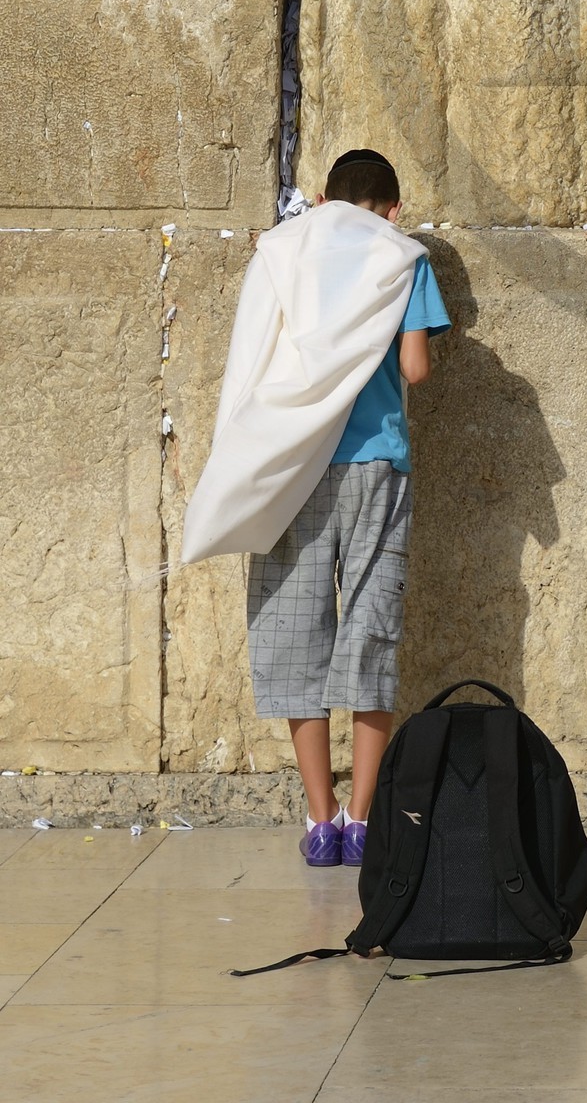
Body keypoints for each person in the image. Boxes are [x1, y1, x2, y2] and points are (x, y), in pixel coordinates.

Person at [181, 148, 450, 868]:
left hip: (295, 464)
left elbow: (255, 356)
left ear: (323, 198)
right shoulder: (404, 258)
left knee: (297, 626)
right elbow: (416, 369)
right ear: (393, 208)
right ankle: (363, 820)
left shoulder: (282, 252)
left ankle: (319, 818)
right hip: (376, 466)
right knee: (369, 626)